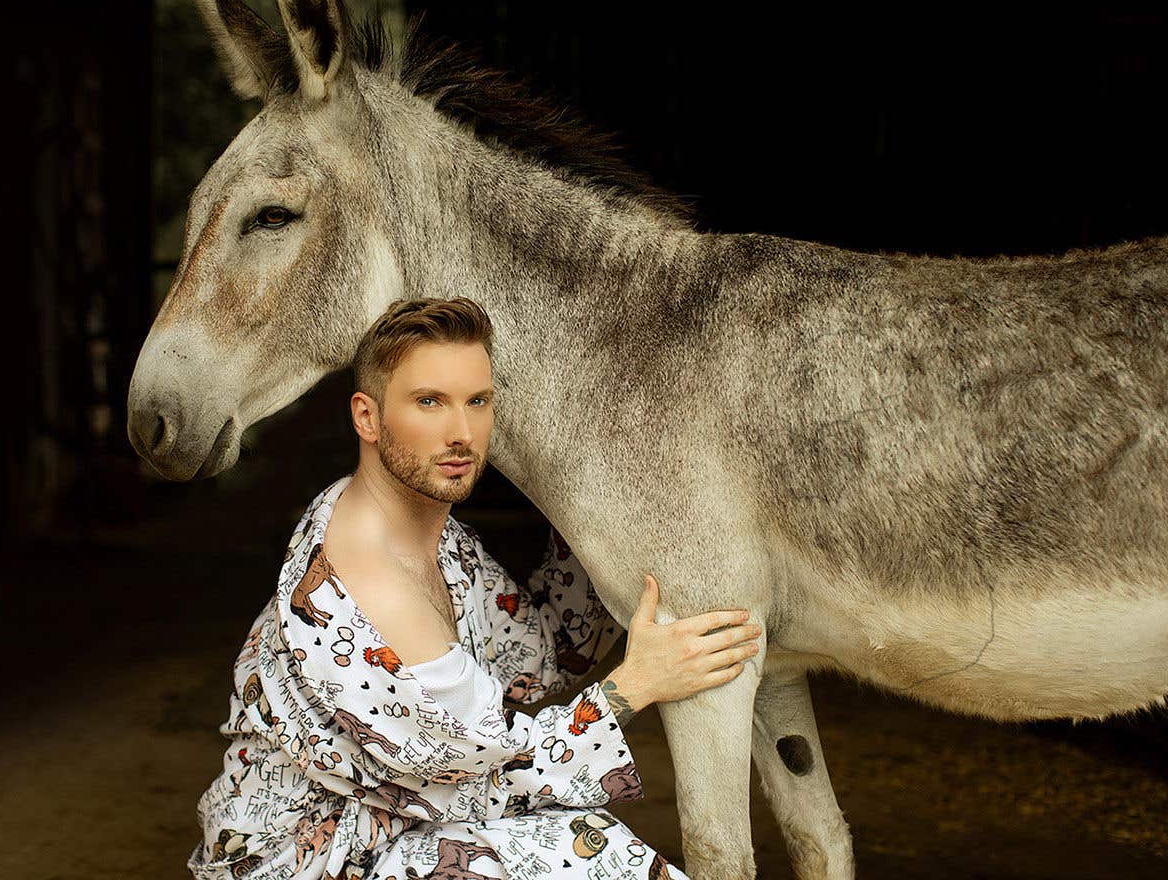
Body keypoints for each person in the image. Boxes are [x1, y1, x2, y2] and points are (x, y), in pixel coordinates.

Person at [187, 296, 762, 880]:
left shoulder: (425, 529)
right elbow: (491, 775)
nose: (461, 433)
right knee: (583, 850)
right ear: (366, 417)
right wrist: (636, 684)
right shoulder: (373, 587)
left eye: (477, 401)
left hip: (404, 818)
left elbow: (537, 649)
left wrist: (614, 518)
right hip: (304, 860)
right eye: (429, 402)